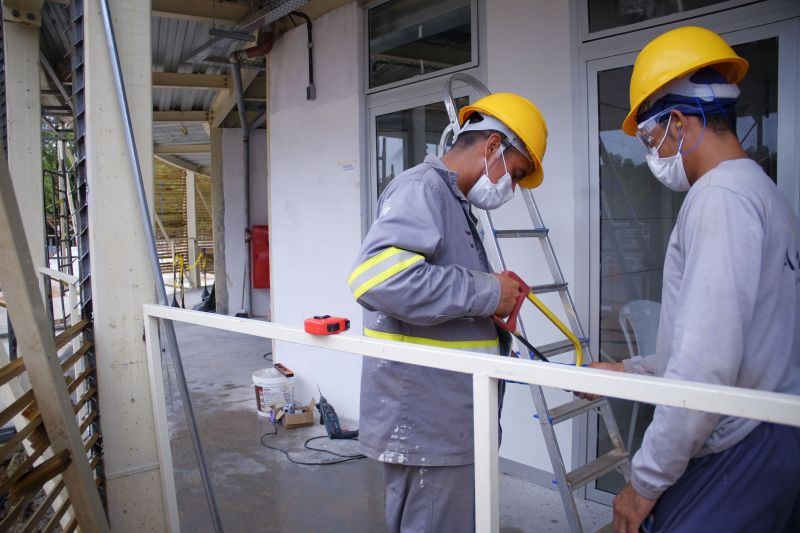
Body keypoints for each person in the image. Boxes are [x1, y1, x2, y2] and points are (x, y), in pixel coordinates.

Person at [594, 26, 800, 532]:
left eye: (649, 138)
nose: (651, 153)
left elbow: (704, 370)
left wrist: (642, 486)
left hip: (740, 445)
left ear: (680, 124)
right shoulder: (761, 191)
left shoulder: (719, 199)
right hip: (771, 432)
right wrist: (631, 370)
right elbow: (731, 340)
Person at [348, 93, 548, 532]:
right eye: (514, 174)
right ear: (493, 145)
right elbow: (376, 280)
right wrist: (487, 292)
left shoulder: (452, 201)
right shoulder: (423, 188)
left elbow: (438, 294)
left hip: (444, 414)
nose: (510, 188)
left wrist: (489, 315)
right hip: (429, 419)